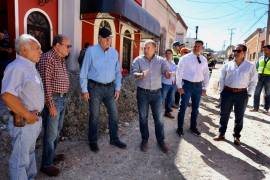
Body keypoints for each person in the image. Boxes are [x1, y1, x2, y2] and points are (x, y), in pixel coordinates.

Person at [1, 34, 43, 180]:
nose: (41, 51)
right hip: (24, 121)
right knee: (20, 160)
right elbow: (7, 96)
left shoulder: (29, 66)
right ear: (24, 49)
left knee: (29, 153)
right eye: (37, 48)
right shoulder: (17, 67)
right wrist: (27, 115)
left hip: (32, 120)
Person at [80, 27, 126, 153]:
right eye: (106, 39)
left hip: (110, 88)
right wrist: (84, 90)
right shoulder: (91, 51)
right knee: (94, 115)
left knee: (114, 114)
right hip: (94, 88)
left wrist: (118, 87)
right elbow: (83, 71)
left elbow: (118, 72)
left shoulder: (114, 52)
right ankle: (93, 141)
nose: (108, 41)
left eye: (110, 39)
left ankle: (114, 138)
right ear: (99, 39)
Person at [37, 35, 71, 176]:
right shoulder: (48, 58)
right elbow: (45, 84)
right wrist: (50, 105)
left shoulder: (61, 58)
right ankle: (46, 164)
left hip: (62, 99)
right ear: (57, 45)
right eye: (67, 45)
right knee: (51, 134)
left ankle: (51, 156)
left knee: (57, 131)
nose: (69, 48)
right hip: (54, 100)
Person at [213, 44, 257, 145]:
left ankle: (237, 136)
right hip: (227, 93)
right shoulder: (227, 64)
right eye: (234, 51)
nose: (236, 53)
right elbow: (222, 78)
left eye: (238, 51)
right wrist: (222, 91)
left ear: (244, 53)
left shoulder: (250, 66)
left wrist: (249, 94)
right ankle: (221, 134)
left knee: (239, 116)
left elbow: (254, 81)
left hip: (242, 94)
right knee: (224, 114)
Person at [132, 39, 171, 153]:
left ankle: (161, 141)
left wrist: (168, 74)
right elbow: (133, 73)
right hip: (142, 93)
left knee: (158, 119)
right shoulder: (138, 60)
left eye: (148, 48)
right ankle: (144, 139)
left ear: (155, 49)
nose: (145, 49)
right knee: (143, 118)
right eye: (144, 47)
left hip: (156, 94)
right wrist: (140, 74)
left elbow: (166, 72)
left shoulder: (161, 61)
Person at [176, 40, 209, 137]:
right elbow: (179, 73)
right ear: (192, 46)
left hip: (198, 86)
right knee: (182, 107)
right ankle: (179, 128)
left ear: (202, 48)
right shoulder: (185, 58)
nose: (197, 48)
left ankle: (193, 127)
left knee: (195, 108)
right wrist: (179, 86)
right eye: (195, 46)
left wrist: (205, 87)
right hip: (187, 85)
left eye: (199, 46)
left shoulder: (204, 59)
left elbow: (206, 74)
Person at [251, 45, 270, 114]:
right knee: (256, 92)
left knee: (268, 93)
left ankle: (266, 108)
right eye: (263, 50)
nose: (264, 51)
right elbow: (257, 67)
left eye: (265, 50)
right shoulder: (261, 57)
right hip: (259, 76)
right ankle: (255, 107)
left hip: (268, 77)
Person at [162, 49, 177, 119]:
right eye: (167, 53)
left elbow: (176, 72)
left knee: (170, 98)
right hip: (165, 83)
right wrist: (172, 73)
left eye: (169, 53)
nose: (168, 55)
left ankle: (167, 112)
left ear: (172, 54)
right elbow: (166, 74)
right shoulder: (163, 62)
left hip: (172, 83)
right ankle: (158, 112)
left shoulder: (173, 63)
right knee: (162, 98)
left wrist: (171, 73)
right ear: (165, 55)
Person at [172, 41, 184, 108]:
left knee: (177, 90)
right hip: (172, 75)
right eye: (178, 46)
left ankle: (176, 103)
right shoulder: (171, 53)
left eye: (179, 46)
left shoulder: (179, 54)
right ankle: (172, 103)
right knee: (173, 90)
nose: (179, 47)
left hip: (178, 75)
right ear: (174, 46)